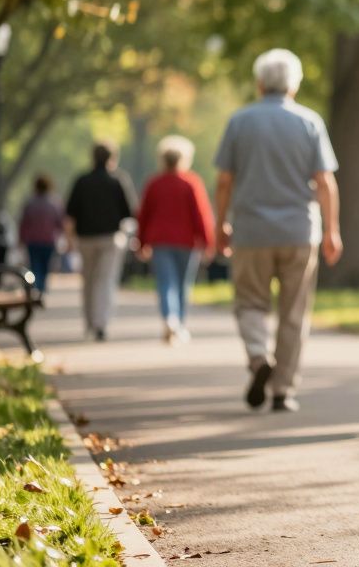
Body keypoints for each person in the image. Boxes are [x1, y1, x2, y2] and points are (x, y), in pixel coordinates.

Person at [214, 48, 341, 413]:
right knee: (294, 312)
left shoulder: (240, 122)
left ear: (259, 84)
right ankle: (283, 390)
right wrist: (331, 230)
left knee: (250, 302)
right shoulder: (309, 122)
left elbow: (224, 180)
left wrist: (221, 223)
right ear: (294, 85)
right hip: (300, 231)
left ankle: (258, 357)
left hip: (251, 230)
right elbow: (324, 182)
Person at [136, 135, 215, 344]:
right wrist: (208, 242)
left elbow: (143, 214)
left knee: (165, 282)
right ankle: (178, 323)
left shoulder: (154, 183)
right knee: (182, 284)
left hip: (160, 241)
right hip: (187, 242)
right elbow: (201, 214)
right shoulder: (191, 182)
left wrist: (141, 242)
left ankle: (169, 318)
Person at [64, 143, 137, 341]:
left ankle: (89, 322)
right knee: (105, 280)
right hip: (110, 238)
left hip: (85, 239)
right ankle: (100, 323)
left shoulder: (82, 181)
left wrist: (69, 239)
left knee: (88, 281)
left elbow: (70, 214)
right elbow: (129, 212)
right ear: (112, 158)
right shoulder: (118, 180)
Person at [18, 174, 63, 295]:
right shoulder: (54, 203)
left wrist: (21, 239)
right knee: (45, 266)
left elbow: (23, 223)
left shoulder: (30, 203)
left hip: (33, 241)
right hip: (48, 241)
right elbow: (60, 223)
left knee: (34, 265)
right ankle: (41, 288)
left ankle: (36, 288)